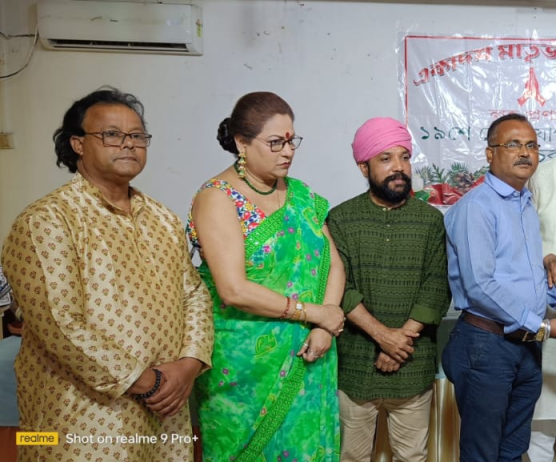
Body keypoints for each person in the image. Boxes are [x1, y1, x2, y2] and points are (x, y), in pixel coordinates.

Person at [1, 87, 214, 461]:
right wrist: (144, 381)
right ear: (78, 144)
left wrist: (188, 365)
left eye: (137, 136)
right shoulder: (48, 220)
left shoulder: (162, 219)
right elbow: (58, 323)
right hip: (82, 416)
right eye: (112, 134)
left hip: (163, 410)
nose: (128, 144)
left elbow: (194, 294)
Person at [188, 92, 346, 461]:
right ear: (242, 143)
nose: (287, 152)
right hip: (246, 366)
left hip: (312, 352)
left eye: (291, 141)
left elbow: (333, 264)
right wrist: (314, 313)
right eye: (276, 142)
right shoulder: (218, 198)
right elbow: (233, 289)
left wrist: (325, 325)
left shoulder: (301, 196)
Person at [442, 113, 556, 462]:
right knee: (482, 453)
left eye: (532, 145)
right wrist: (543, 327)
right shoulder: (477, 207)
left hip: (525, 347)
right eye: (513, 144)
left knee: (513, 450)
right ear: (490, 153)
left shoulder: (525, 205)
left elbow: (522, 278)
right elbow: (480, 286)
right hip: (486, 346)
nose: (525, 153)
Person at [326, 117, 451, 462]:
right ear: (363, 167)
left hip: (412, 362)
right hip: (355, 365)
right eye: (386, 159)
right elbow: (339, 287)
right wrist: (384, 337)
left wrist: (399, 342)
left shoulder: (431, 221)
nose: (399, 167)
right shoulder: (341, 219)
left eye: (404, 157)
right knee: (351, 456)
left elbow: (437, 286)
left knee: (412, 456)